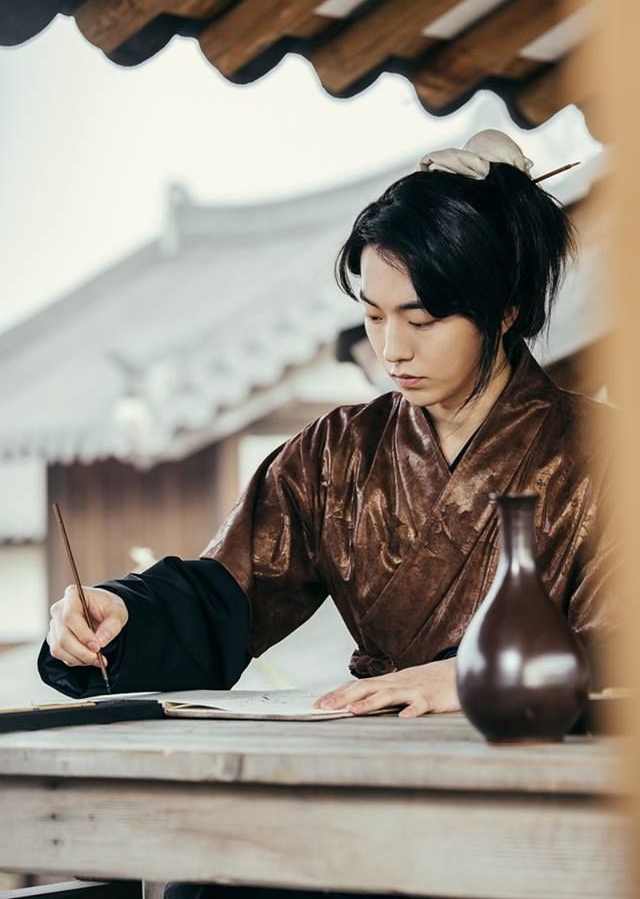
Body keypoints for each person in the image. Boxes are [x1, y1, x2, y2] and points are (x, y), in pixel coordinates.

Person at [40, 129, 618, 719]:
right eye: (373, 315)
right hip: (373, 754)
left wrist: (481, 674)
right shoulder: (336, 454)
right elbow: (226, 597)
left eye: (420, 321)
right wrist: (124, 615)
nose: (392, 350)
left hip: (546, 761)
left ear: (505, 311)